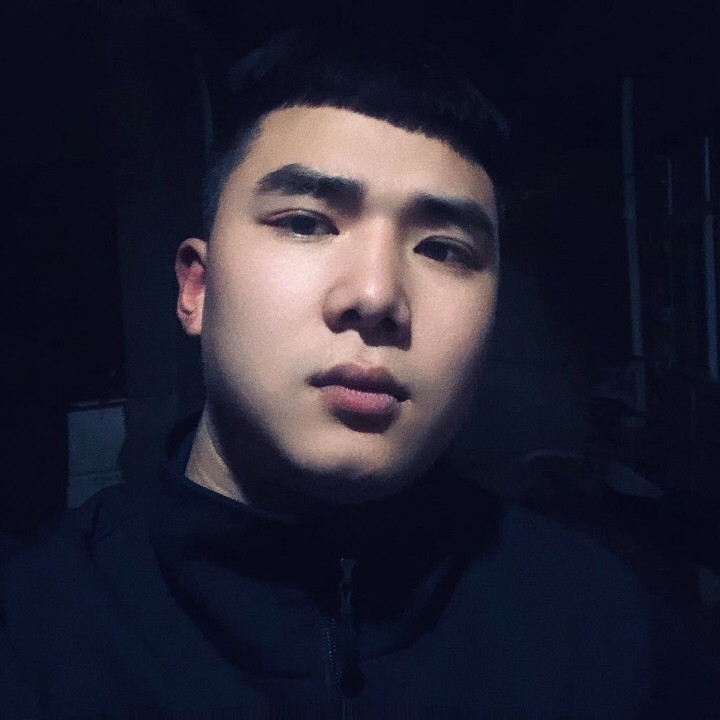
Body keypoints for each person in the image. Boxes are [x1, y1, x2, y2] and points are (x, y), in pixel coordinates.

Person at [1, 27, 717, 719]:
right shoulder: (34, 635)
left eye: (443, 249)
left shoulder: (609, 634)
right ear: (197, 288)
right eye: (305, 223)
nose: (375, 296)